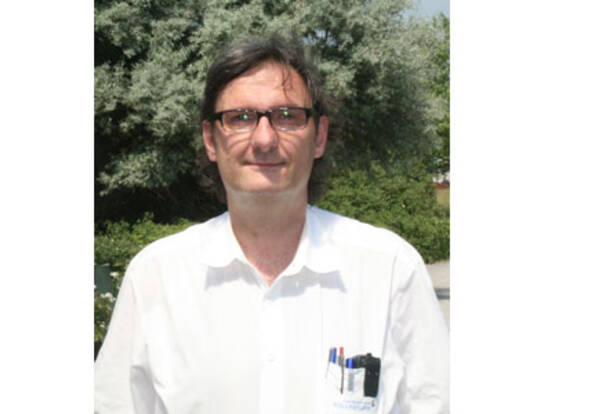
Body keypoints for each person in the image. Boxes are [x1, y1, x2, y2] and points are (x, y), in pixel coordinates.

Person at [94, 34, 449, 414]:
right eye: (240, 118)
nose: (264, 139)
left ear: (319, 137)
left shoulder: (390, 269)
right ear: (210, 140)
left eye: (287, 116)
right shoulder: (156, 276)